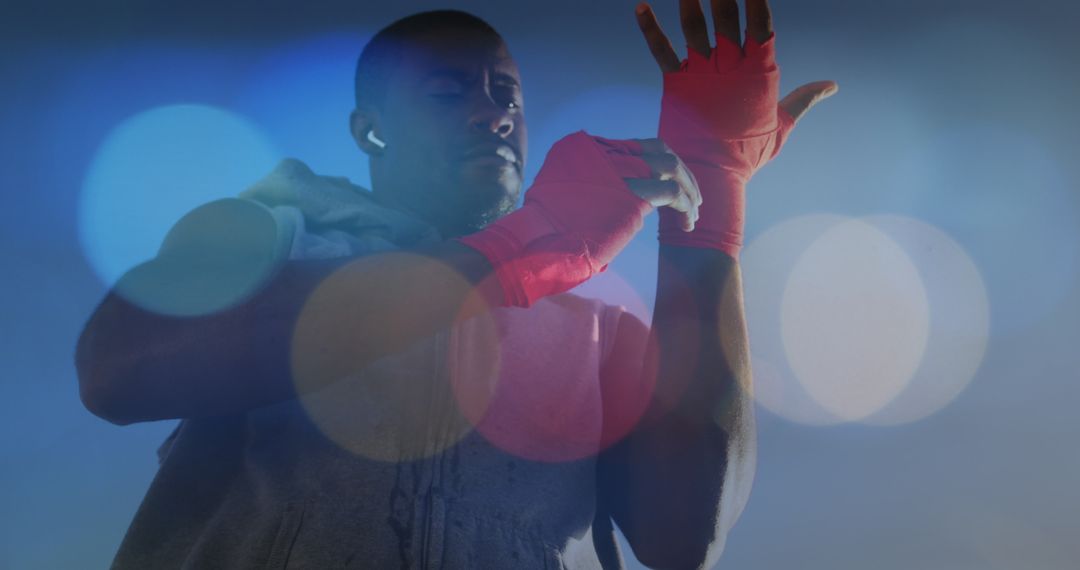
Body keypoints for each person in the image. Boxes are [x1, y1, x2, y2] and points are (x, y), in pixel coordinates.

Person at [76, 1, 836, 568]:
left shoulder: (594, 322)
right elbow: (118, 369)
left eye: (508, 96)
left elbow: (684, 538)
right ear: (371, 129)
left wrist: (711, 203)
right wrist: (520, 249)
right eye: (449, 93)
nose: (492, 115)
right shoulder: (270, 231)